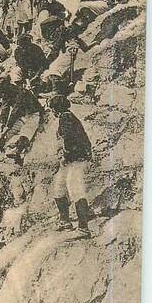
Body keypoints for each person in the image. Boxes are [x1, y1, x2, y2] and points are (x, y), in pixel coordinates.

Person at [49, 94, 93, 238]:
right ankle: (65, 221)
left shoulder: (66, 117)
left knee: (75, 188)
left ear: (56, 109)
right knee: (58, 187)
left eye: (52, 109)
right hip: (72, 158)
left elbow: (68, 139)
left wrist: (66, 156)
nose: (52, 112)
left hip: (78, 158)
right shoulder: (66, 117)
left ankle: (83, 228)